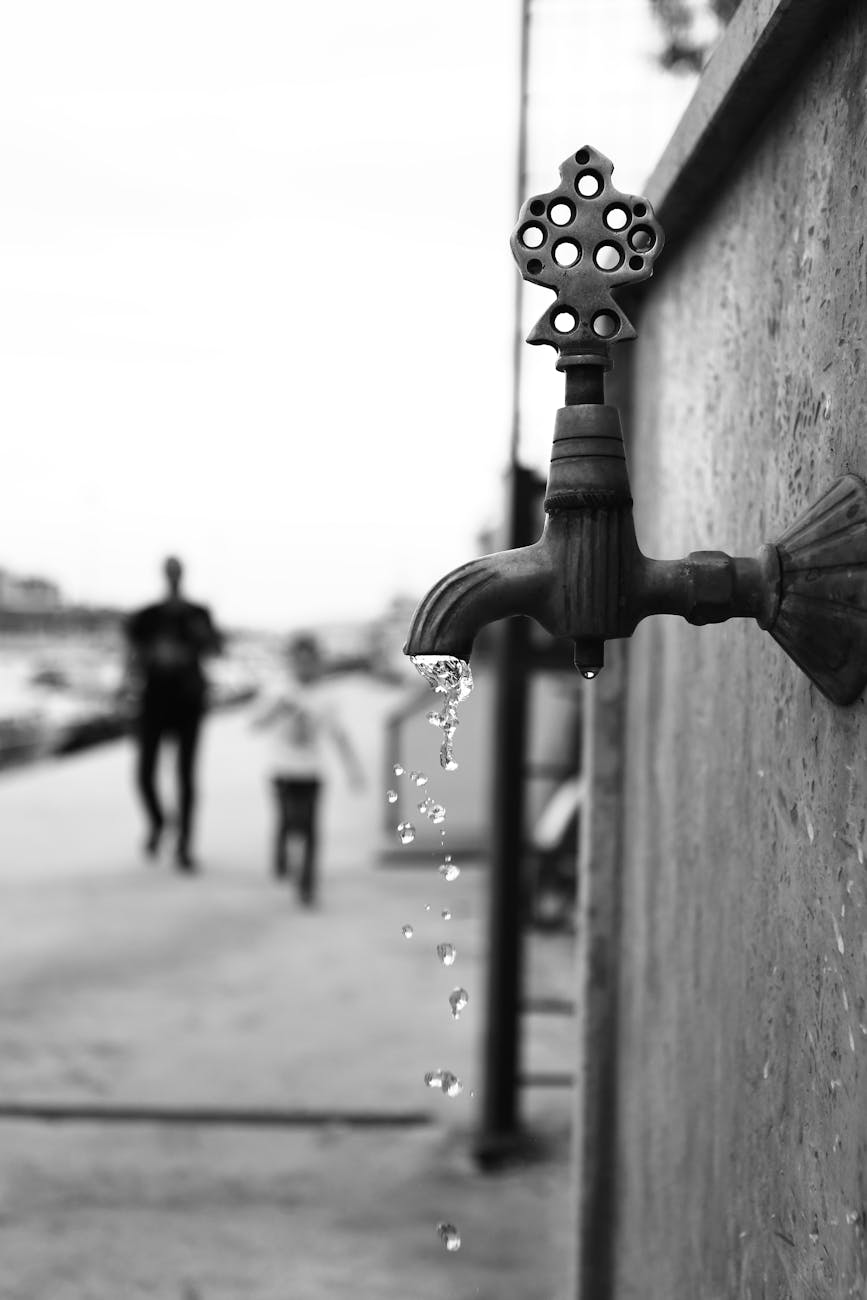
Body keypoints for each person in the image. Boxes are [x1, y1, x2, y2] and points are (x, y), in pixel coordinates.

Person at [125, 556, 223, 871]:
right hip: (153, 701)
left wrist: (192, 645)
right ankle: (158, 823)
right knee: (144, 775)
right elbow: (132, 655)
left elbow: (216, 648)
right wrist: (150, 659)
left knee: (186, 777)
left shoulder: (198, 613)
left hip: (188, 702)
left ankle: (184, 846)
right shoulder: (147, 616)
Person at [253, 634, 363, 904]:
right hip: (282, 770)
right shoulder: (277, 690)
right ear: (291, 662)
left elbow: (339, 735)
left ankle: (307, 885)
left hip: (312, 772)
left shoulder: (326, 695)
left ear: (317, 662)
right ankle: (281, 859)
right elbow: (256, 723)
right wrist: (277, 709)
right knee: (288, 822)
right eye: (298, 660)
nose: (304, 666)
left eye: (309, 660)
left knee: (310, 828)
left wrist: (353, 770)